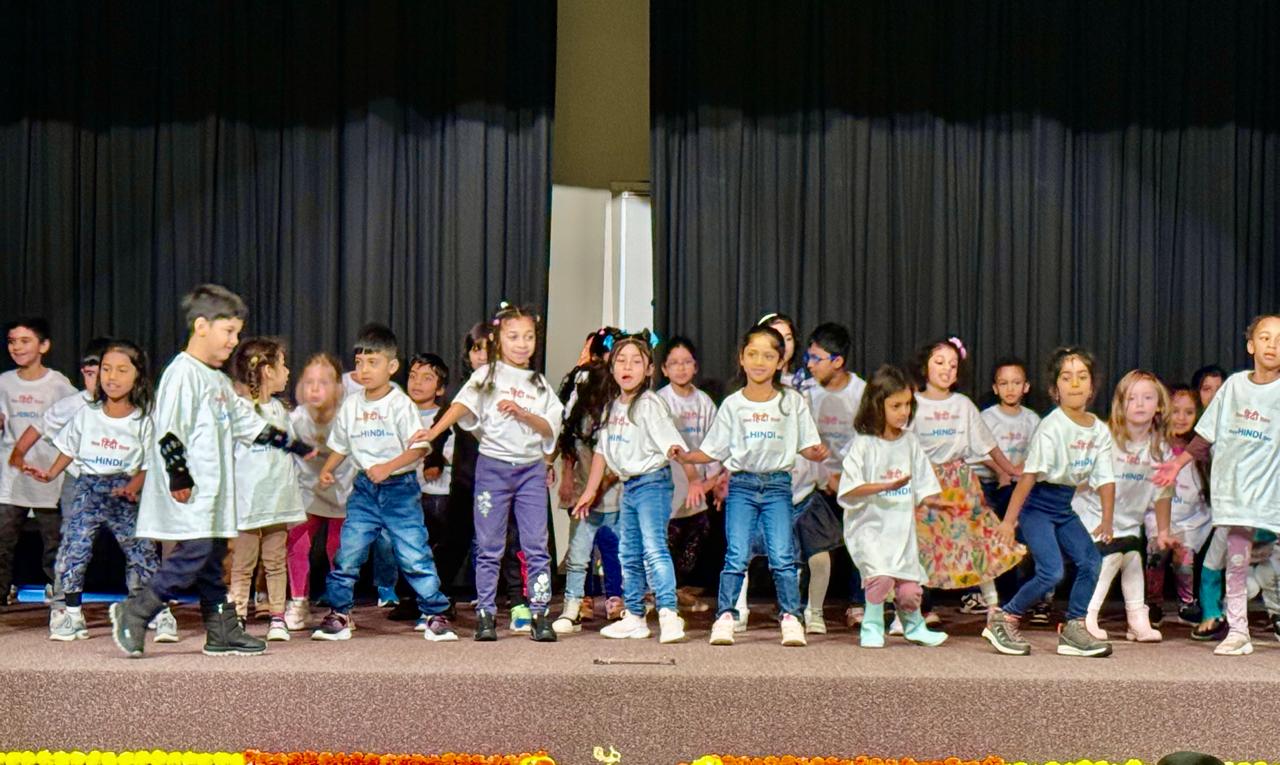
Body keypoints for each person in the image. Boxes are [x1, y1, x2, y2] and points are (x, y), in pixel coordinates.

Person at [110, 284, 313, 658]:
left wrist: (292, 444)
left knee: (213, 560)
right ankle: (136, 611)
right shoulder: (182, 373)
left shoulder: (217, 380)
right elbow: (169, 430)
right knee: (196, 552)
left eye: (237, 333)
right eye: (228, 331)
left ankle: (221, 630)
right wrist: (179, 475)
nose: (234, 341)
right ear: (201, 326)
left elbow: (245, 423)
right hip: (189, 490)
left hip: (215, 494)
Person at [411, 303, 564, 642]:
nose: (521, 344)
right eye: (513, 337)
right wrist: (432, 433)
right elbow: (460, 406)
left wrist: (524, 414)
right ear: (499, 339)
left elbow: (550, 427)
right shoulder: (486, 377)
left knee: (536, 545)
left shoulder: (539, 384)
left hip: (530, 471)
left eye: (528, 337)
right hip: (493, 468)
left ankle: (540, 613)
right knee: (489, 545)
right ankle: (486, 614)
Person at [676, 324, 829, 647]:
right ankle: (726, 617)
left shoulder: (791, 402)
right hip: (742, 486)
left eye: (769, 356)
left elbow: (806, 444)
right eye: (753, 354)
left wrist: (815, 452)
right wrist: (687, 455)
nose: (760, 362)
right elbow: (714, 449)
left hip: (778, 486)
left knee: (783, 556)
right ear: (742, 358)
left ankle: (791, 618)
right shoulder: (733, 404)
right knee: (736, 555)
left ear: (780, 361)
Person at [311, 324, 457, 643]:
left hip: (399, 490)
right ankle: (339, 613)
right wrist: (328, 469)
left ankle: (434, 613)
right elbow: (342, 444)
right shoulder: (352, 404)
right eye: (359, 362)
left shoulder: (400, 404)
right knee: (348, 553)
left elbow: (419, 448)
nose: (364, 370)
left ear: (391, 366)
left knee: (414, 554)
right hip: (364, 490)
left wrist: (388, 467)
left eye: (372, 362)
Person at [1155, 314, 1280, 656]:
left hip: (1270, 499)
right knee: (1235, 566)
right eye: (1265, 338)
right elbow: (1206, 435)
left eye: (1279, 339)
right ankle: (1238, 631)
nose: (1272, 345)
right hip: (1236, 498)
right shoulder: (1234, 386)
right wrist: (1176, 464)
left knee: (1269, 565)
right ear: (1251, 345)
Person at [28, 341, 168, 642]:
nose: (112, 377)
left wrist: (132, 487)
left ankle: (151, 610)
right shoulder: (86, 414)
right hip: (88, 486)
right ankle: (71, 613)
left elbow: (149, 463)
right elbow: (69, 448)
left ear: (138, 375)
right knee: (74, 548)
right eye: (106, 369)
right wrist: (50, 472)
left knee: (141, 550)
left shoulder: (144, 419)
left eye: (121, 370)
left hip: (125, 489)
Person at [984, 346, 1115, 658]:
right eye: (1066, 378)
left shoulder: (1099, 430)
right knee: (1051, 571)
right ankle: (1005, 618)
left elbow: (1106, 479)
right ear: (1055, 390)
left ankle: (1074, 627)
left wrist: (1107, 519)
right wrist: (1009, 521)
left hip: (1063, 507)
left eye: (1082, 377)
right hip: (1037, 507)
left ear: (1092, 386)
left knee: (1091, 561)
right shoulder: (1051, 426)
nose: (1075, 383)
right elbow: (1028, 477)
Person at [574, 332, 690, 644]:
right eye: (621, 361)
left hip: (652, 483)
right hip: (630, 487)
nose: (627, 367)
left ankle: (669, 613)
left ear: (649, 369)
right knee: (628, 551)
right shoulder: (612, 407)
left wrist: (681, 459)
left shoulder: (650, 404)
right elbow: (602, 452)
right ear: (612, 368)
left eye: (636, 362)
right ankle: (635, 616)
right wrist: (589, 491)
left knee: (654, 548)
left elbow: (671, 443)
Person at [838, 365, 958, 648]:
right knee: (879, 578)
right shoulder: (863, 445)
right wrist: (884, 486)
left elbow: (924, 484)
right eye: (896, 406)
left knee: (909, 590)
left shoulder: (910, 442)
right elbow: (849, 489)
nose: (903, 412)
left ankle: (914, 626)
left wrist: (933, 501)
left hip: (901, 532)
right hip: (870, 529)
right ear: (876, 405)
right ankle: (872, 626)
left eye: (907, 405)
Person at [227, 338, 306, 641]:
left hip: (278, 498)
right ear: (266, 371)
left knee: (275, 561)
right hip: (249, 500)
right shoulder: (240, 410)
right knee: (243, 563)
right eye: (283, 365)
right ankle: (236, 618)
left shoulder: (281, 410)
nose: (288, 371)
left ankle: (277, 617)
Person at [0, 317, 77, 606]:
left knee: (54, 540)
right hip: (11, 474)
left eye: (25, 341)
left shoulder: (58, 384)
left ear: (43, 346)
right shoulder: (4, 382)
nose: (17, 347)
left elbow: (76, 421)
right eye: (12, 341)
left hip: (48, 473)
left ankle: (58, 592)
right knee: (4, 539)